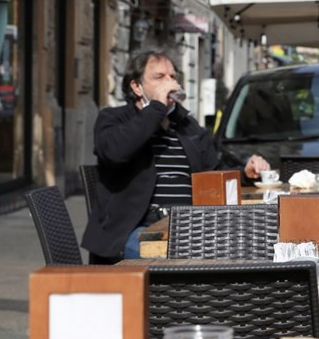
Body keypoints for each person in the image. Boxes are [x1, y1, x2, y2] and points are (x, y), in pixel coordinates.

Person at [81, 49, 270, 263]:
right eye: (159, 77)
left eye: (172, 77)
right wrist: (156, 109)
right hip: (133, 230)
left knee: (248, 250)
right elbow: (115, 153)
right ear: (136, 86)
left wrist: (245, 173)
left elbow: (213, 172)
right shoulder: (114, 119)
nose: (170, 82)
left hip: (188, 227)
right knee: (179, 261)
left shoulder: (186, 125)